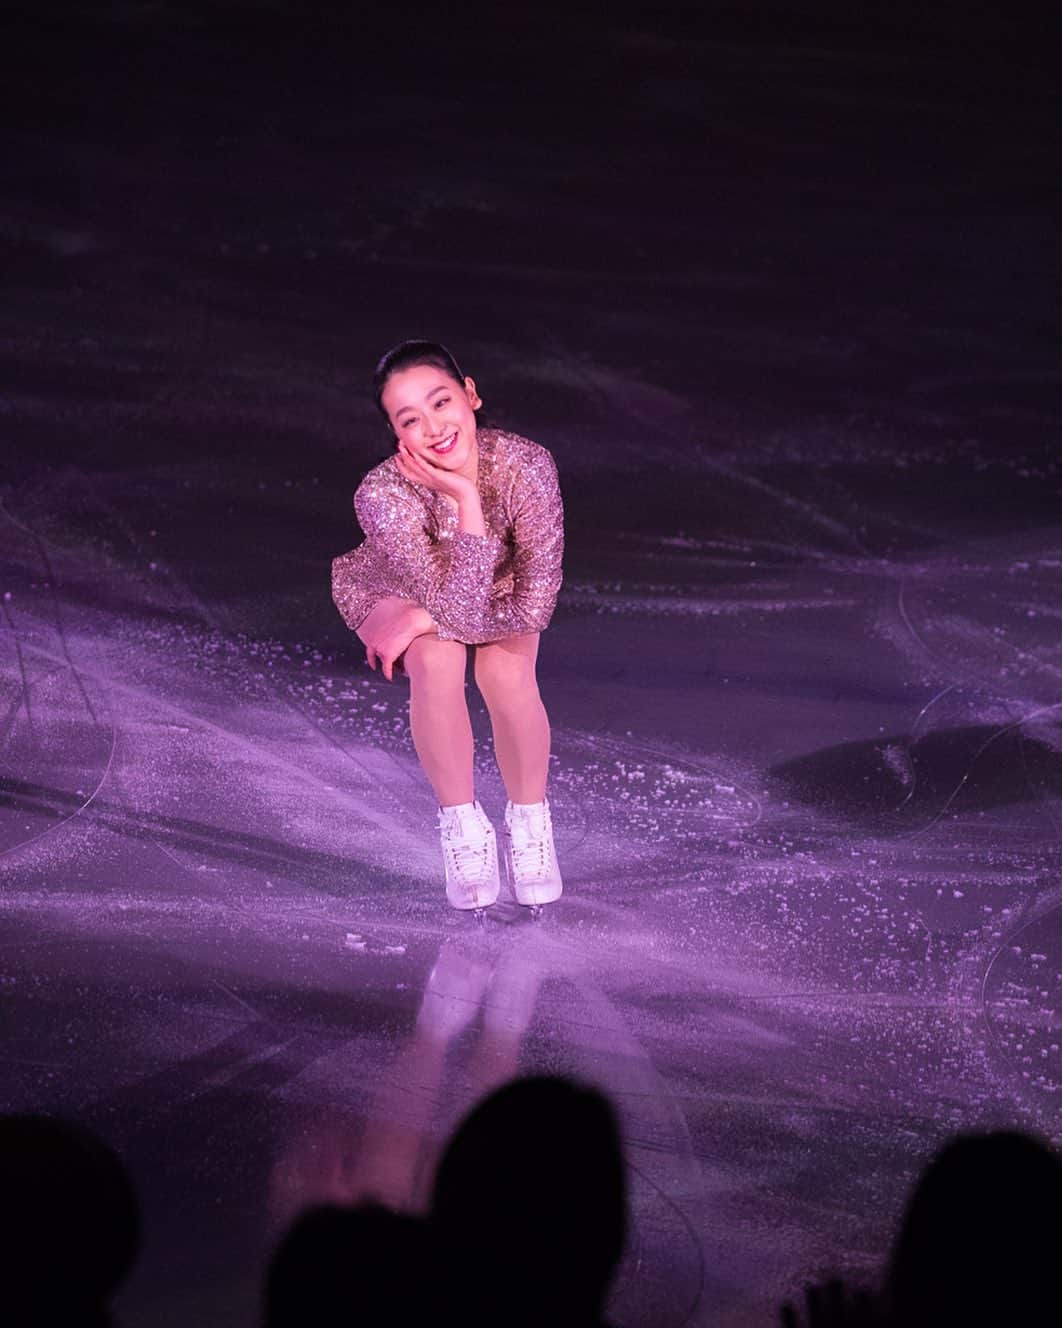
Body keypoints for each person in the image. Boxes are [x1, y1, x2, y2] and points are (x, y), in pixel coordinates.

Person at [331, 340, 565, 918]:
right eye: (410, 419)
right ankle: (462, 826)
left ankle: (530, 823)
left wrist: (467, 496)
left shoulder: (527, 467)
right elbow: (450, 605)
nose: (433, 428)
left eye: (441, 403)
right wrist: (462, 495)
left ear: (471, 394)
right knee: (437, 663)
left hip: (498, 589)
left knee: (506, 673)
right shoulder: (381, 494)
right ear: (395, 433)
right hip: (397, 589)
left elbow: (536, 602)